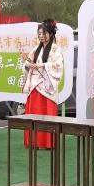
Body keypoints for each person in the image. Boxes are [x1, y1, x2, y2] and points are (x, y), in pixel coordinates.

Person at [22, 19, 64, 149]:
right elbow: (27, 63)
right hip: (35, 86)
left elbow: (58, 65)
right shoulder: (36, 49)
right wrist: (28, 65)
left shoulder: (55, 49)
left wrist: (42, 65)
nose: (41, 36)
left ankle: (47, 142)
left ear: (50, 34)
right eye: (39, 33)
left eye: (43, 33)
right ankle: (34, 141)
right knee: (34, 113)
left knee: (47, 114)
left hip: (47, 85)